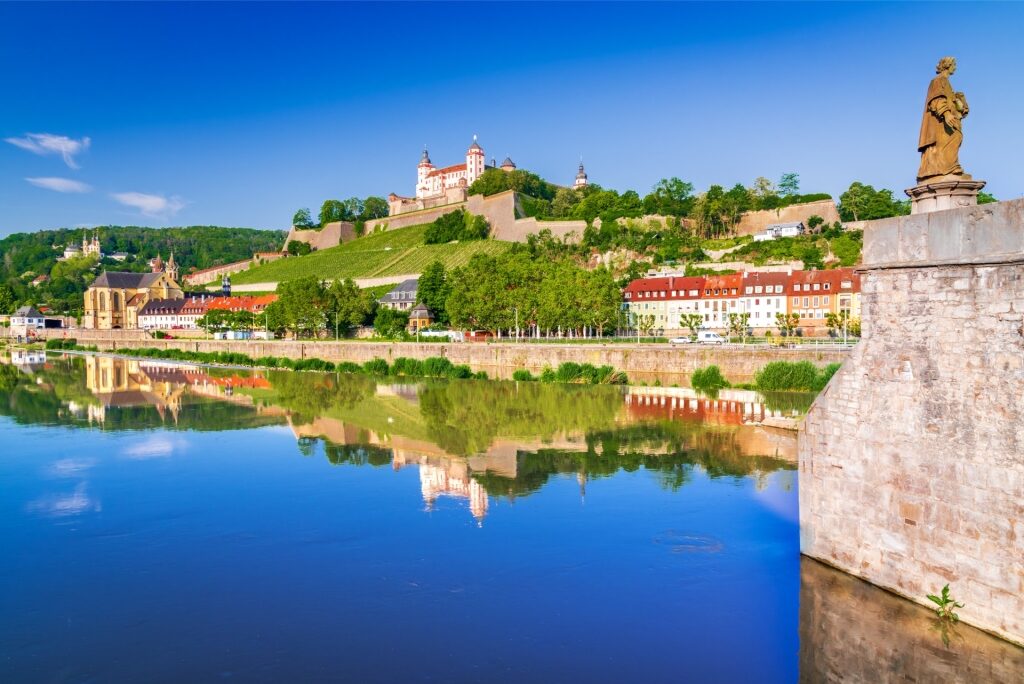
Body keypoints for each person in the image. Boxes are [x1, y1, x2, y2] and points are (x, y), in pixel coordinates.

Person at [917, 56, 968, 182]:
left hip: (948, 121)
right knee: (946, 141)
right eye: (953, 65)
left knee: (955, 138)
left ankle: (950, 167)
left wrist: (959, 103)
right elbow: (936, 99)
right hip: (940, 122)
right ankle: (946, 169)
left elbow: (953, 104)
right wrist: (946, 113)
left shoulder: (947, 83)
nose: (955, 67)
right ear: (948, 65)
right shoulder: (938, 80)